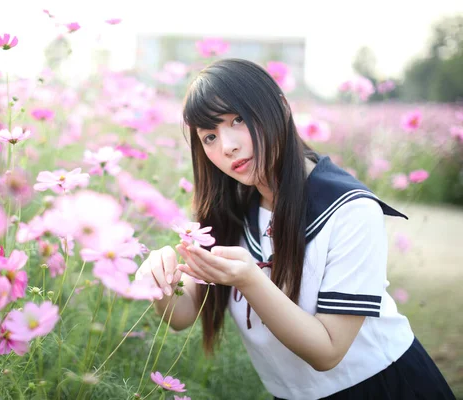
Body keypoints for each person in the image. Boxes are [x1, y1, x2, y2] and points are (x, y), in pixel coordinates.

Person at [135, 58, 455, 399]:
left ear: (281, 107)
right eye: (209, 136)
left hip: (382, 387)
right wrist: (161, 281)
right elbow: (182, 315)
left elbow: (328, 351)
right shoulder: (229, 212)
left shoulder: (350, 210)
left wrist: (250, 280)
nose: (227, 146)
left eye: (238, 120)